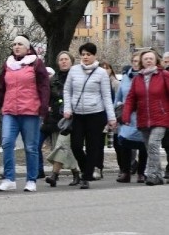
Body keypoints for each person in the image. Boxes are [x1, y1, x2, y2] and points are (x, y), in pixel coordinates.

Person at [0, 35, 50, 193]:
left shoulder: (36, 63)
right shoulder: (8, 64)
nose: (16, 46)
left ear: (27, 48)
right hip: (10, 111)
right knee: (7, 143)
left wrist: (43, 108)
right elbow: (0, 89)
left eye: (20, 44)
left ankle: (31, 180)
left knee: (31, 147)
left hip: (30, 111)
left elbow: (44, 87)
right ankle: (9, 179)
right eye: (14, 44)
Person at [63, 42, 116, 189]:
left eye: (88, 54)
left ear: (94, 56)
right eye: (83, 54)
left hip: (96, 114)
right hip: (78, 114)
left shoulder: (101, 73)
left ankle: (86, 177)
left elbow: (106, 96)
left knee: (93, 147)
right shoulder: (73, 71)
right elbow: (67, 91)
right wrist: (67, 108)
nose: (85, 57)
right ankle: (88, 168)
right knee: (76, 146)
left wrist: (111, 118)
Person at [121, 49, 169, 186]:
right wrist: (126, 115)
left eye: (151, 58)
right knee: (149, 147)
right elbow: (130, 99)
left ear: (156, 61)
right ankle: (158, 175)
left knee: (154, 144)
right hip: (143, 118)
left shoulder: (164, 75)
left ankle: (153, 175)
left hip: (161, 117)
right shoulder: (137, 79)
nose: (148, 60)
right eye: (146, 59)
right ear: (142, 61)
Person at [43, 51, 80, 186]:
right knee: (63, 148)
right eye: (61, 59)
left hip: (73, 118)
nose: (64, 61)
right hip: (57, 119)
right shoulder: (53, 80)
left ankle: (54, 175)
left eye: (66, 59)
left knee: (61, 145)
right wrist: (47, 107)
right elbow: (48, 97)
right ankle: (76, 173)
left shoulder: (77, 77)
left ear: (71, 61)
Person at [114, 51, 146, 184]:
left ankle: (141, 172)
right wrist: (115, 111)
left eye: (139, 61)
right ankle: (125, 171)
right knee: (125, 142)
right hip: (128, 114)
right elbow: (120, 95)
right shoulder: (126, 77)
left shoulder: (147, 76)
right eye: (134, 61)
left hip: (143, 114)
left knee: (143, 144)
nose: (136, 64)